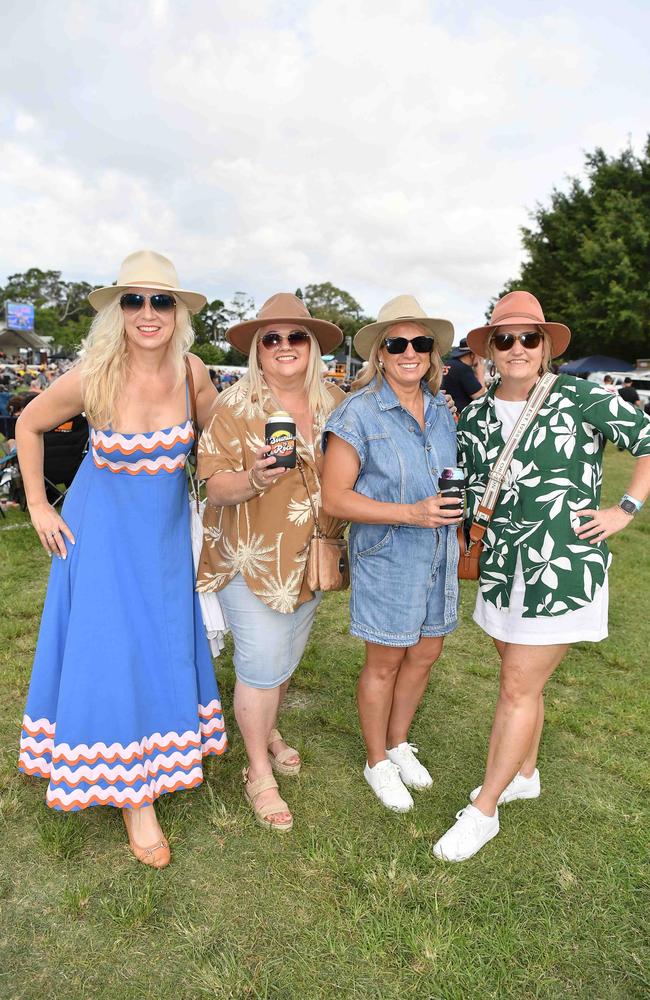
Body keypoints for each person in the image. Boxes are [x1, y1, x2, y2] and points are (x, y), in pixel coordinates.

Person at [16, 250, 227, 869]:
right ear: (117, 311)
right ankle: (136, 798)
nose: (147, 312)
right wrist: (37, 506)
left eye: (161, 300)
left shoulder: (192, 373)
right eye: (133, 300)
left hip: (161, 542)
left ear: (179, 312)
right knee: (111, 653)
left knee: (155, 648)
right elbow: (27, 424)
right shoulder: (95, 374)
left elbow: (221, 436)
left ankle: (149, 758)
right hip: (99, 540)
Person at [433, 290, 650, 862]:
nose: (518, 348)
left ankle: (484, 812)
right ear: (489, 350)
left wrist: (623, 510)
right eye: (505, 339)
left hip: (564, 569)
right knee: (518, 677)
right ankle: (525, 772)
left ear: (546, 346)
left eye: (530, 338)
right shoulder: (475, 415)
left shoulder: (580, 398)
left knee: (517, 688)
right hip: (502, 569)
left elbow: (648, 443)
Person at [196, 293, 345, 832]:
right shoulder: (234, 406)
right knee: (259, 670)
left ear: (312, 347)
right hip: (252, 558)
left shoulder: (334, 400)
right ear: (259, 349)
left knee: (283, 659)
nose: (285, 346)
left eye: (296, 337)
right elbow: (213, 485)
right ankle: (257, 769)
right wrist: (255, 479)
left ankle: (270, 730)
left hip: (312, 557)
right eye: (273, 338)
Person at [321, 295, 462, 812]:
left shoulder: (444, 410)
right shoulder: (356, 414)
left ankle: (400, 743)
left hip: (440, 551)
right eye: (397, 343)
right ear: (380, 354)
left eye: (419, 343)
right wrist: (411, 513)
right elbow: (335, 497)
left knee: (426, 652)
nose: (409, 352)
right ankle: (376, 759)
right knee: (385, 659)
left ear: (430, 354)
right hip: (388, 552)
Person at [441, 337, 486, 413]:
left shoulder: (449, 363)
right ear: (472, 354)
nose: (481, 358)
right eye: (479, 354)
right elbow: (480, 397)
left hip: (447, 412)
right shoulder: (464, 369)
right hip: (461, 416)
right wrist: (480, 373)